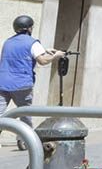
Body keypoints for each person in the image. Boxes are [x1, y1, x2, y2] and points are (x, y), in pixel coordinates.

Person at [1, 15, 65, 147]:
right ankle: (23, 140)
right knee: (25, 114)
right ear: (29, 28)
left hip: (3, 83)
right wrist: (56, 55)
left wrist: (44, 50)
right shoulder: (32, 42)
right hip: (22, 85)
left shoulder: (8, 42)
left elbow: (21, 54)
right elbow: (42, 61)